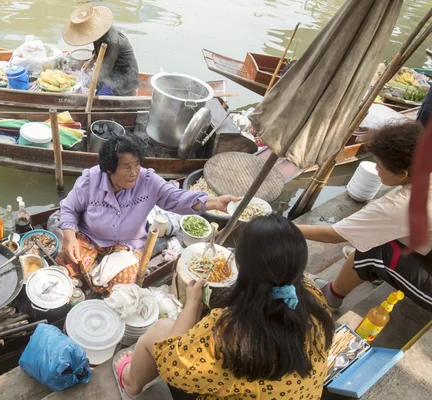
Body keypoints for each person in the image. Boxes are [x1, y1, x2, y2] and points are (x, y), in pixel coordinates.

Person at [113, 215, 334, 399]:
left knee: (159, 330)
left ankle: (131, 384)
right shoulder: (313, 296)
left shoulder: (230, 332)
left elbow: (173, 362)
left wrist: (193, 303)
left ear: (238, 264)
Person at [57, 136, 235, 292]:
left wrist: (214, 203)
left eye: (137, 165)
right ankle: (90, 273)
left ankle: (97, 277)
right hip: (91, 237)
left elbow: (176, 198)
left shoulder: (148, 181)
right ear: (109, 170)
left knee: (125, 282)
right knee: (69, 258)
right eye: (127, 167)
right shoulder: (90, 180)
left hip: (128, 243)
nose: (134, 173)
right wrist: (70, 237)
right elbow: (69, 208)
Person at [296, 120, 432, 312]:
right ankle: (378, 272)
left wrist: (284, 227)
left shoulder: (402, 204)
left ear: (402, 173)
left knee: (374, 250)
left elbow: (334, 235)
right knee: (369, 240)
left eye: (379, 166)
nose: (376, 169)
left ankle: (330, 297)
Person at [62, 5, 140, 96]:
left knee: (98, 97)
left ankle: (129, 94)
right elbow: (99, 51)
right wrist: (91, 60)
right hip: (111, 71)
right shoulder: (99, 33)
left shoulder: (112, 42)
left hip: (123, 79)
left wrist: (91, 84)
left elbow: (104, 70)